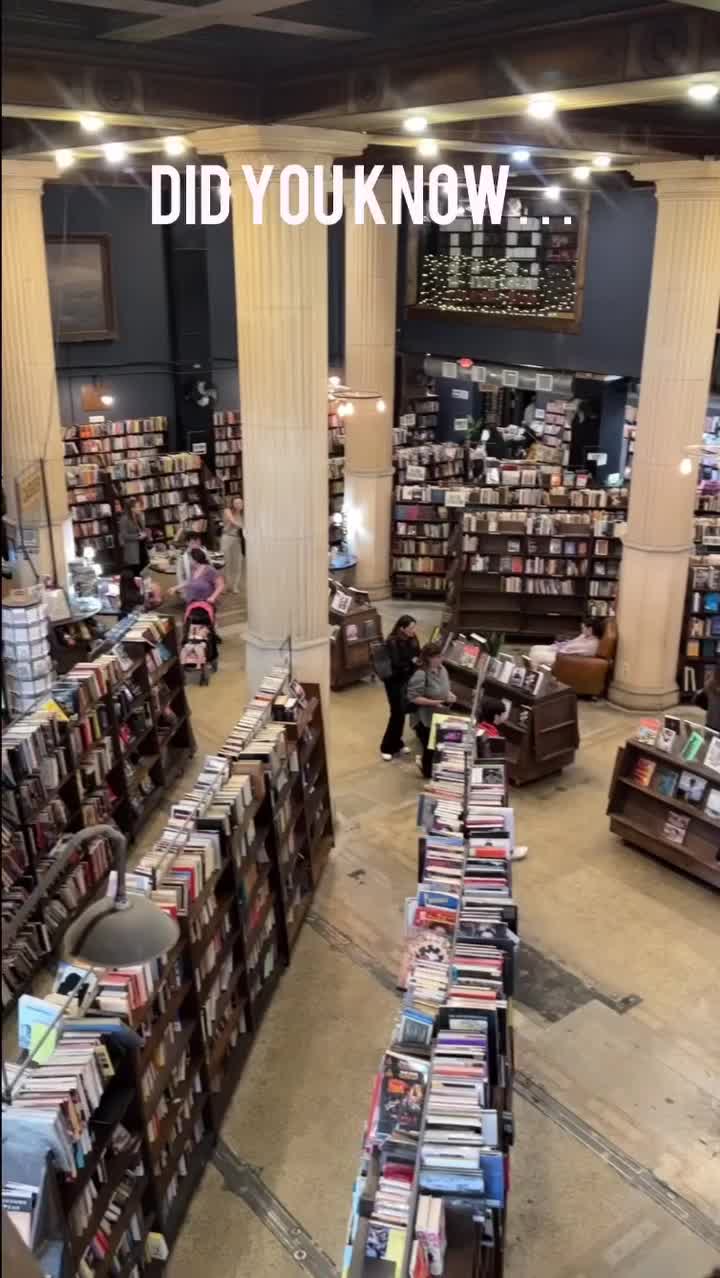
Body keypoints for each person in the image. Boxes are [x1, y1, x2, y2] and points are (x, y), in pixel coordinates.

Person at [407, 642, 456, 779]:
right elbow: (413, 697)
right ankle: (427, 773)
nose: (442, 659)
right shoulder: (421, 674)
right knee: (430, 747)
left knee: (438, 744)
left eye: (442, 656)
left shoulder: (443, 669)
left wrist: (449, 694)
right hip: (424, 719)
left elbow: (443, 687)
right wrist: (435, 703)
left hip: (440, 715)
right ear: (429, 658)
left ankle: (432, 768)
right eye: (438, 657)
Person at [380, 614, 420, 761]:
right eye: (410, 628)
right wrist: (412, 662)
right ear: (401, 628)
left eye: (414, 627)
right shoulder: (392, 641)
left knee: (402, 712)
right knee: (396, 713)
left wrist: (412, 661)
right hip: (393, 681)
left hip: (406, 679)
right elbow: (397, 663)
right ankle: (386, 747)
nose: (413, 630)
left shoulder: (412, 638)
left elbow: (417, 655)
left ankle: (398, 743)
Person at [528, 618, 604, 672]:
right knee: (534, 648)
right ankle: (535, 669)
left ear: (590, 629)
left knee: (535, 656)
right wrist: (559, 645)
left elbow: (571, 651)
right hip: (562, 651)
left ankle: (534, 676)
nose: (581, 630)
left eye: (583, 628)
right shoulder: (585, 635)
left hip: (564, 658)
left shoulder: (592, 644)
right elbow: (572, 642)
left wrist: (559, 649)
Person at [220, 497, 244, 594]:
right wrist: (245, 526)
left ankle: (235, 586)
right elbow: (233, 521)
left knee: (237, 563)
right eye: (237, 503)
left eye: (241, 503)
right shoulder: (227, 511)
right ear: (233, 504)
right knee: (226, 563)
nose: (239, 505)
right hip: (227, 538)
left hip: (237, 539)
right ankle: (225, 586)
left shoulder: (243, 514)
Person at [117, 498, 149, 572]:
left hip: (142, 547)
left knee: (145, 571)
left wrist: (145, 534)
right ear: (132, 509)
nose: (140, 508)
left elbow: (143, 530)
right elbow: (124, 535)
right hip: (133, 550)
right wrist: (137, 537)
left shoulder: (139, 517)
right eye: (138, 507)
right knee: (137, 572)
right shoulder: (124, 519)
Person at [173, 527, 204, 593]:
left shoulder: (204, 552)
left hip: (204, 582)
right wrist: (183, 589)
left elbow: (210, 567)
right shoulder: (182, 557)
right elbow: (180, 576)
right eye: (193, 543)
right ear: (187, 543)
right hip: (189, 584)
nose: (197, 545)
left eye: (198, 543)